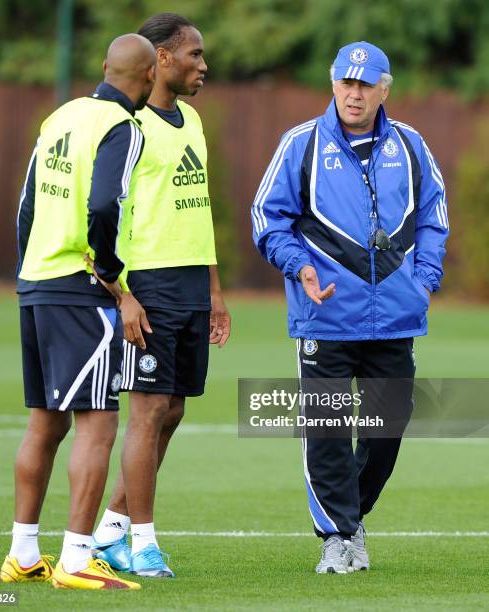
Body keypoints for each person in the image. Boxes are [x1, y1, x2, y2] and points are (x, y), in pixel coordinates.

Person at [251, 41, 448, 574]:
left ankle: (350, 516)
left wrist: (425, 279)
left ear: (385, 88)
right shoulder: (302, 144)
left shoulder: (410, 145)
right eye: (345, 82)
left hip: (395, 320)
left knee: (389, 426)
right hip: (325, 317)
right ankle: (337, 537)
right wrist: (300, 267)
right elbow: (268, 219)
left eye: (365, 84)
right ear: (333, 83)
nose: (353, 93)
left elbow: (433, 215)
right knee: (329, 431)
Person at [0, 34, 156, 590]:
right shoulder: (124, 128)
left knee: (45, 420)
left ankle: (22, 553)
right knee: (99, 421)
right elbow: (104, 204)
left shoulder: (60, 116)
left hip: (38, 281)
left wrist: (29, 270)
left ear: (105, 68)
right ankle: (75, 558)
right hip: (81, 290)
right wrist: (113, 279)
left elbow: (27, 204)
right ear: (148, 76)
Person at [92, 13, 231, 578]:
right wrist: (121, 293)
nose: (203, 64)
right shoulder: (128, 127)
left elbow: (199, 210)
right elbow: (99, 215)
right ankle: (144, 544)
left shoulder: (192, 119)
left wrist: (216, 290)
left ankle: (112, 530)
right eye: (194, 54)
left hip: (193, 286)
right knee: (147, 413)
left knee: (171, 410)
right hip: (147, 285)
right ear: (162, 60)